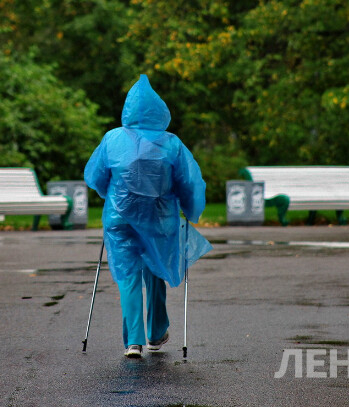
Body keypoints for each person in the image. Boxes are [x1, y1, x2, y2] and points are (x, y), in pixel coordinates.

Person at [84, 74, 211, 358]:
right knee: (155, 268)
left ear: (128, 109)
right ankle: (155, 333)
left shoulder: (112, 139)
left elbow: (97, 176)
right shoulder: (171, 143)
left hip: (120, 218)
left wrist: (111, 196)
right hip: (158, 218)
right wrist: (191, 209)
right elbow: (188, 182)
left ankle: (133, 341)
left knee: (127, 274)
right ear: (159, 110)